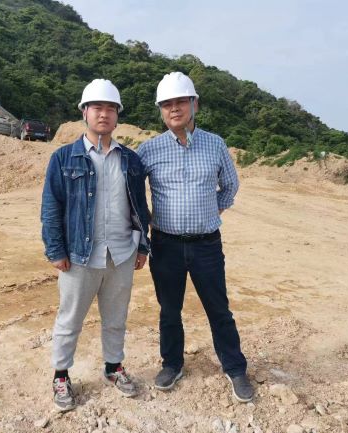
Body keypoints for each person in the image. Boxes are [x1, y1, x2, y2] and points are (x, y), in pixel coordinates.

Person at [136, 72, 253, 403]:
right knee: (169, 310)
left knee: (219, 309)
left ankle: (235, 368)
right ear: (161, 110)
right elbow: (133, 192)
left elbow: (230, 185)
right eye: (167, 104)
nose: (174, 109)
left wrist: (211, 210)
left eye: (180, 102)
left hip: (206, 245)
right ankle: (172, 364)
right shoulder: (149, 149)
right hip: (166, 245)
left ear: (194, 104)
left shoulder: (215, 144)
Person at [41, 79, 150, 411]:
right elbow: (51, 207)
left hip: (121, 254)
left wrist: (143, 246)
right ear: (84, 113)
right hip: (79, 255)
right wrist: (56, 250)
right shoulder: (64, 158)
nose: (104, 114)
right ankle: (61, 375)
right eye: (97, 108)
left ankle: (113, 367)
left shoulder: (130, 160)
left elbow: (140, 206)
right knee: (70, 318)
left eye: (111, 109)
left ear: (117, 116)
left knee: (116, 317)